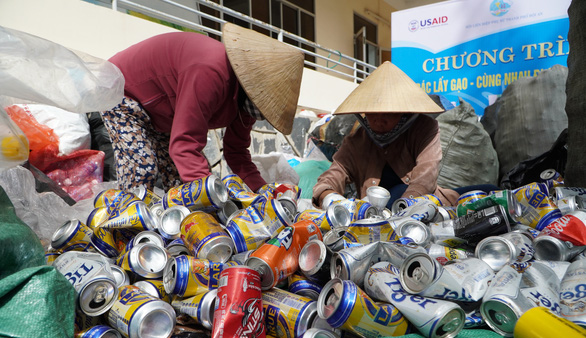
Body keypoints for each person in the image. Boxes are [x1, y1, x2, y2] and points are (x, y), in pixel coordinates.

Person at [100, 23, 304, 192]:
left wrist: (264, 192)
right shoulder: (211, 72)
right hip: (122, 90)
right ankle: (128, 232)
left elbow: (237, 152)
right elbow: (184, 145)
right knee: (142, 170)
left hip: (163, 108)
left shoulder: (249, 101)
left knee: (178, 182)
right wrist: (213, 196)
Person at [312, 61, 498, 209]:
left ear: (402, 111)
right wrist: (329, 196)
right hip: (375, 208)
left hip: (419, 201)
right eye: (372, 113)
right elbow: (334, 173)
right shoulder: (356, 141)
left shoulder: (425, 128)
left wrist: (406, 205)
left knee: (491, 192)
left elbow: (426, 174)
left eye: (388, 113)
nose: (378, 120)